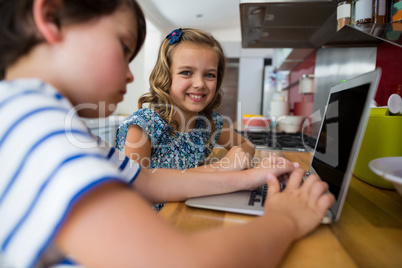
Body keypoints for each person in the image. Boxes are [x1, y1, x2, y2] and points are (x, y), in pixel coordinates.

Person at [0, 0, 335, 267]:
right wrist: (286, 220)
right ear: (52, 17)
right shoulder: (33, 124)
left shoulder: (44, 121)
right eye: (124, 48)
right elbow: (182, 260)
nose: (130, 76)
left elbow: (149, 180)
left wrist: (249, 175)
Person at [115, 28, 255, 172]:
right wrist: (219, 167)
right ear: (165, 76)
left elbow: (246, 144)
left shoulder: (209, 123)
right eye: (186, 72)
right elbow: (137, 185)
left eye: (209, 75)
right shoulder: (143, 126)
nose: (200, 83)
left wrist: (237, 159)